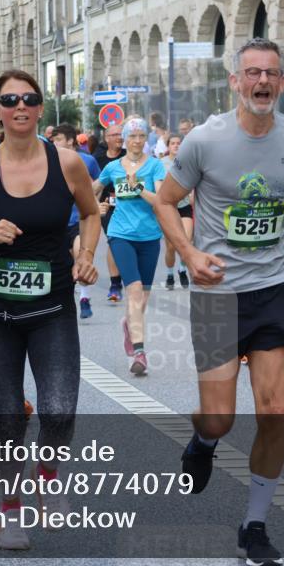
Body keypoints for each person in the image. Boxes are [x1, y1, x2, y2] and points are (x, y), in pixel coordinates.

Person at [155, 37, 284, 566]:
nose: (261, 82)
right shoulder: (206, 141)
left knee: (274, 410)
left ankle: (254, 524)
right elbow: (165, 200)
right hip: (216, 293)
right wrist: (188, 253)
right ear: (234, 81)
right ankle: (202, 442)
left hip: (274, 288)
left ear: (281, 83)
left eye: (271, 74)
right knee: (219, 419)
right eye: (251, 72)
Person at [0, 70, 100, 550]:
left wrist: (87, 254)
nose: (20, 107)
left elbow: (92, 214)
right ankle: (9, 509)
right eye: (9, 99)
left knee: (58, 410)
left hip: (52, 307)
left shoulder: (68, 162)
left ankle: (48, 475)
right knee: (10, 418)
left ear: (39, 108)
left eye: (29, 99)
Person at [94, 117, 166, 374]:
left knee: (142, 297)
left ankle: (129, 323)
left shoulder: (156, 166)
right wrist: (94, 207)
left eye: (140, 136)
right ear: (124, 139)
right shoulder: (113, 167)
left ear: (146, 139)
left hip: (149, 237)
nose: (136, 140)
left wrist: (138, 189)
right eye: (132, 136)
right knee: (134, 291)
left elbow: (159, 201)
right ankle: (140, 352)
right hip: (120, 234)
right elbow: (93, 189)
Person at [53, 124, 101, 318]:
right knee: (63, 266)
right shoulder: (49, 160)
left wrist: (96, 203)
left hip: (79, 220)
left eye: (58, 139)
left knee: (81, 255)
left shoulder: (87, 161)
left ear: (71, 141)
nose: (54, 143)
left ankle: (84, 298)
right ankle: (64, 299)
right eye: (53, 140)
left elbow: (99, 182)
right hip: (57, 222)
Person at [93, 123, 128, 302]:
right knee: (114, 239)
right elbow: (93, 186)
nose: (119, 138)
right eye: (114, 135)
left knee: (127, 242)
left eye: (121, 134)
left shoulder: (128, 156)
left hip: (130, 206)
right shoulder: (98, 159)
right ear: (106, 138)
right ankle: (115, 284)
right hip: (107, 207)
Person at [160, 133, 192, 290]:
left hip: (185, 206)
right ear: (168, 146)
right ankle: (170, 273)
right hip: (169, 208)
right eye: (173, 143)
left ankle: (182, 269)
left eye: (179, 143)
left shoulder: (189, 162)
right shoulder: (161, 163)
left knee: (187, 240)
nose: (176, 145)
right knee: (171, 247)